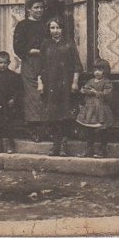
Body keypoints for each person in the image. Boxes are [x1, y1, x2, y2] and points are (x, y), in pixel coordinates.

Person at [38, 17, 83, 156]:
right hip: (50, 84)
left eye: (58, 27)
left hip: (65, 84)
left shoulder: (69, 43)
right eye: (52, 28)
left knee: (65, 114)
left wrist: (75, 82)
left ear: (62, 29)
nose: (55, 31)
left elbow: (76, 64)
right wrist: (40, 83)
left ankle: (64, 144)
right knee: (53, 114)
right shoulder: (46, 44)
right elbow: (41, 66)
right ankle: (55, 144)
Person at [13, 0, 48, 142]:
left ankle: (46, 128)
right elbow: (17, 47)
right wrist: (31, 51)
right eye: (36, 7)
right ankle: (34, 129)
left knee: (45, 93)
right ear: (29, 10)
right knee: (32, 95)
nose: (39, 10)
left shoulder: (47, 25)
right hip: (29, 62)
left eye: (41, 7)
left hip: (46, 63)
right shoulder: (22, 25)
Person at [76, 58, 114, 158]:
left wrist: (95, 92)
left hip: (101, 109)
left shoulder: (106, 82)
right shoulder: (90, 81)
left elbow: (107, 94)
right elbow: (84, 90)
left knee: (102, 130)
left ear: (105, 71)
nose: (97, 72)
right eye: (95, 70)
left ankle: (103, 150)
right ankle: (89, 150)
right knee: (89, 130)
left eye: (100, 70)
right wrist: (84, 91)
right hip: (89, 109)